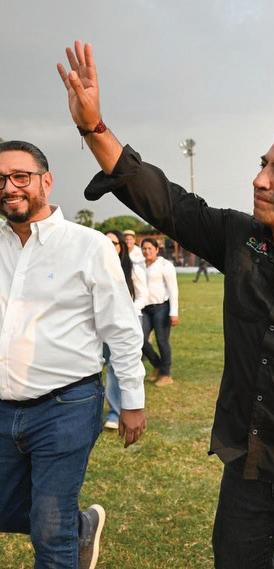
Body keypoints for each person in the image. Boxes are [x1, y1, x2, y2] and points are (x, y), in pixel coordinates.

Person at [57, 41, 274, 569]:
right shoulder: (238, 238)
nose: (259, 179)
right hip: (250, 456)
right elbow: (165, 201)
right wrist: (94, 128)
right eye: (262, 165)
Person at [0, 140, 146, 569]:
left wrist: (132, 400)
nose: (9, 187)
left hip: (66, 404)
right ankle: (78, 528)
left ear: (46, 181)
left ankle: (65, 531)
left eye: (20, 176)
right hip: (4, 406)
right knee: (9, 510)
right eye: (0, 179)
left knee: (49, 527)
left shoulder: (88, 245)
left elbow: (121, 327)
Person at [103, 230, 148, 429]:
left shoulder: (132, 269)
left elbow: (142, 296)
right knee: (100, 365)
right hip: (101, 324)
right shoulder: (94, 266)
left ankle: (115, 412)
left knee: (116, 367)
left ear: (120, 247)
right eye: (105, 241)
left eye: (113, 243)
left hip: (126, 323)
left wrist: (128, 312)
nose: (108, 246)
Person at [140, 237, 179, 387]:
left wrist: (174, 312)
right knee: (140, 339)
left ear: (157, 249)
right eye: (144, 248)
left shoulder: (165, 265)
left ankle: (166, 374)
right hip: (144, 308)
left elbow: (173, 289)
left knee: (162, 340)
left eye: (150, 248)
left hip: (161, 308)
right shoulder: (139, 265)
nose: (147, 251)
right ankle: (157, 365)